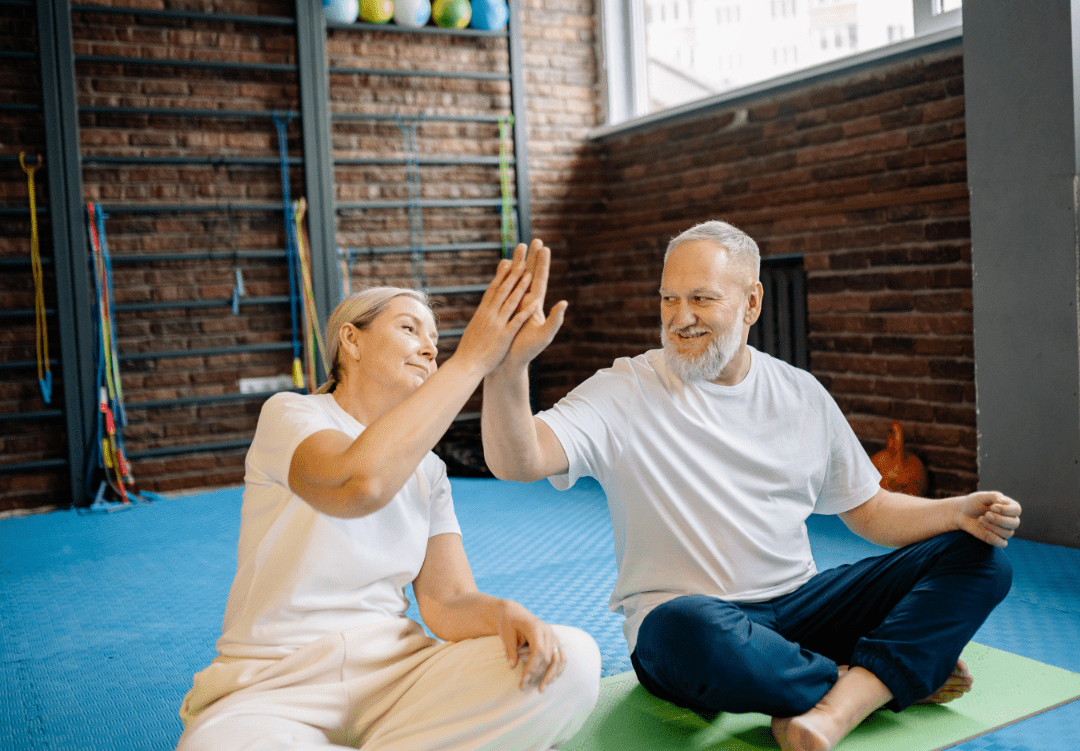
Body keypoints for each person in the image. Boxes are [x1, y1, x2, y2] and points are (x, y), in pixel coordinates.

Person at [481, 221, 1020, 751]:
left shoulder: (800, 393)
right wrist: (508, 369)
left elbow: (872, 511)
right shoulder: (625, 389)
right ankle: (874, 682)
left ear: (752, 303)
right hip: (693, 625)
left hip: (803, 610)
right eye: (668, 299)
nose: (680, 318)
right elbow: (518, 459)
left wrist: (957, 512)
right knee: (687, 627)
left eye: (701, 298)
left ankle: (836, 698)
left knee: (981, 557)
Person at [176, 242, 600, 751]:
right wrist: (469, 361)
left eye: (436, 341)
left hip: (397, 680)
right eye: (408, 328)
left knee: (571, 660)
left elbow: (447, 602)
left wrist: (505, 612)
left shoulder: (431, 470)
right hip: (275, 684)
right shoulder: (291, 416)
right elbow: (359, 485)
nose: (429, 348)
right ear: (351, 342)